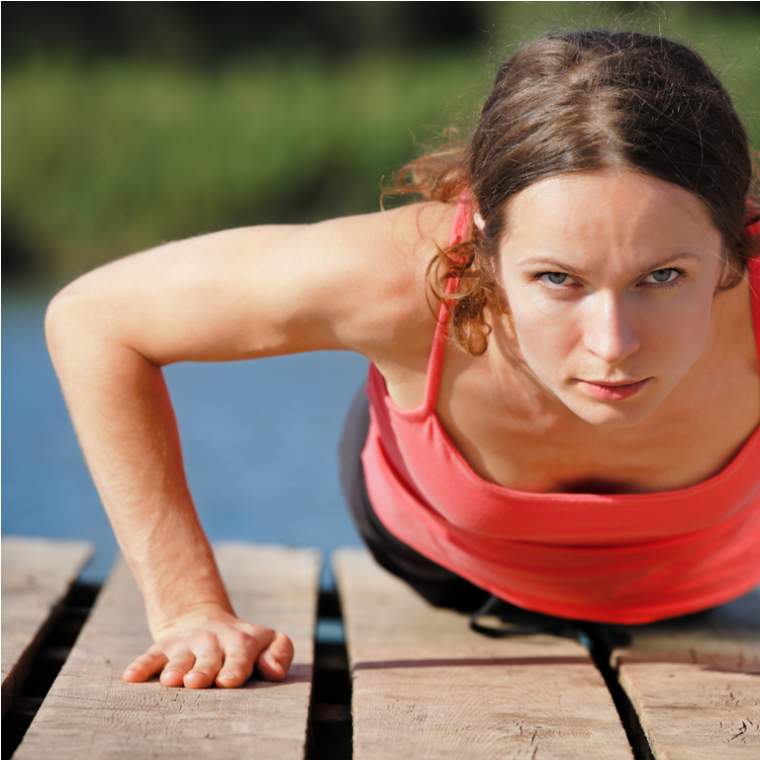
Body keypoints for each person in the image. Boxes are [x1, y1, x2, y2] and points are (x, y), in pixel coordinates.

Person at [45, 28, 760, 691]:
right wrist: (186, 606)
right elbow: (95, 319)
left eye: (662, 277)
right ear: (485, 238)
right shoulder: (399, 277)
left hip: (716, 585)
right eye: (558, 279)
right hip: (450, 569)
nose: (612, 345)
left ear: (732, 241)